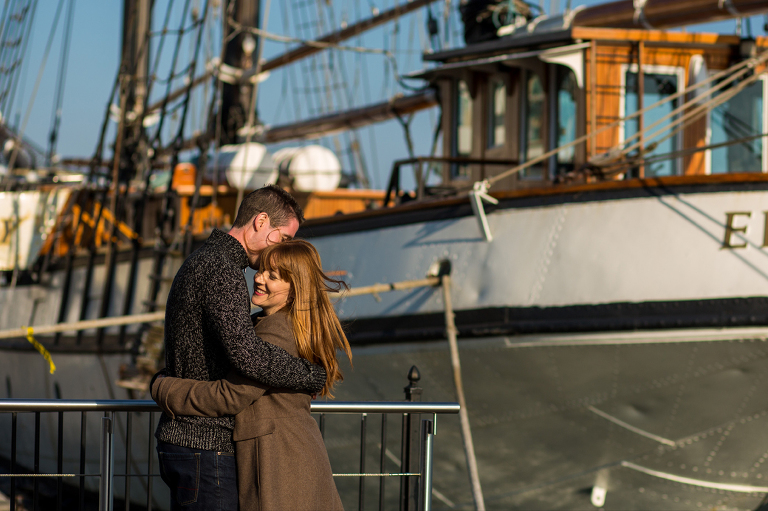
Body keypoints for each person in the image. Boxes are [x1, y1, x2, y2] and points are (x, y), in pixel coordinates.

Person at [155, 186, 328, 511]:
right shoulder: (224, 271)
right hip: (207, 446)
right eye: (282, 237)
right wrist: (311, 375)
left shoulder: (200, 260)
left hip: (185, 442)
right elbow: (248, 356)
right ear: (261, 221)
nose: (281, 248)